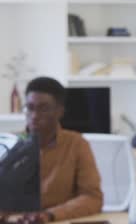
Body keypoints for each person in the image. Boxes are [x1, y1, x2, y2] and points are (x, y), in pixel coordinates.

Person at [15, 77, 103, 223]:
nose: (35, 116)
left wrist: (50, 214)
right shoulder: (9, 145)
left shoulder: (77, 144)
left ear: (59, 111)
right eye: (30, 107)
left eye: (43, 108)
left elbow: (92, 198)